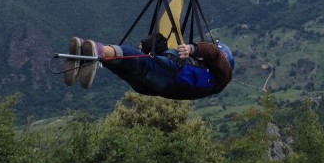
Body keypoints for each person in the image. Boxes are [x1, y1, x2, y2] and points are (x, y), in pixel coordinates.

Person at [64, 34, 234, 100]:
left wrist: (193, 48)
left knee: (136, 59)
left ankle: (97, 50)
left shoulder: (223, 76)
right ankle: (90, 59)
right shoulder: (207, 76)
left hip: (171, 78)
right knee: (127, 67)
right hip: (157, 89)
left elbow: (213, 53)